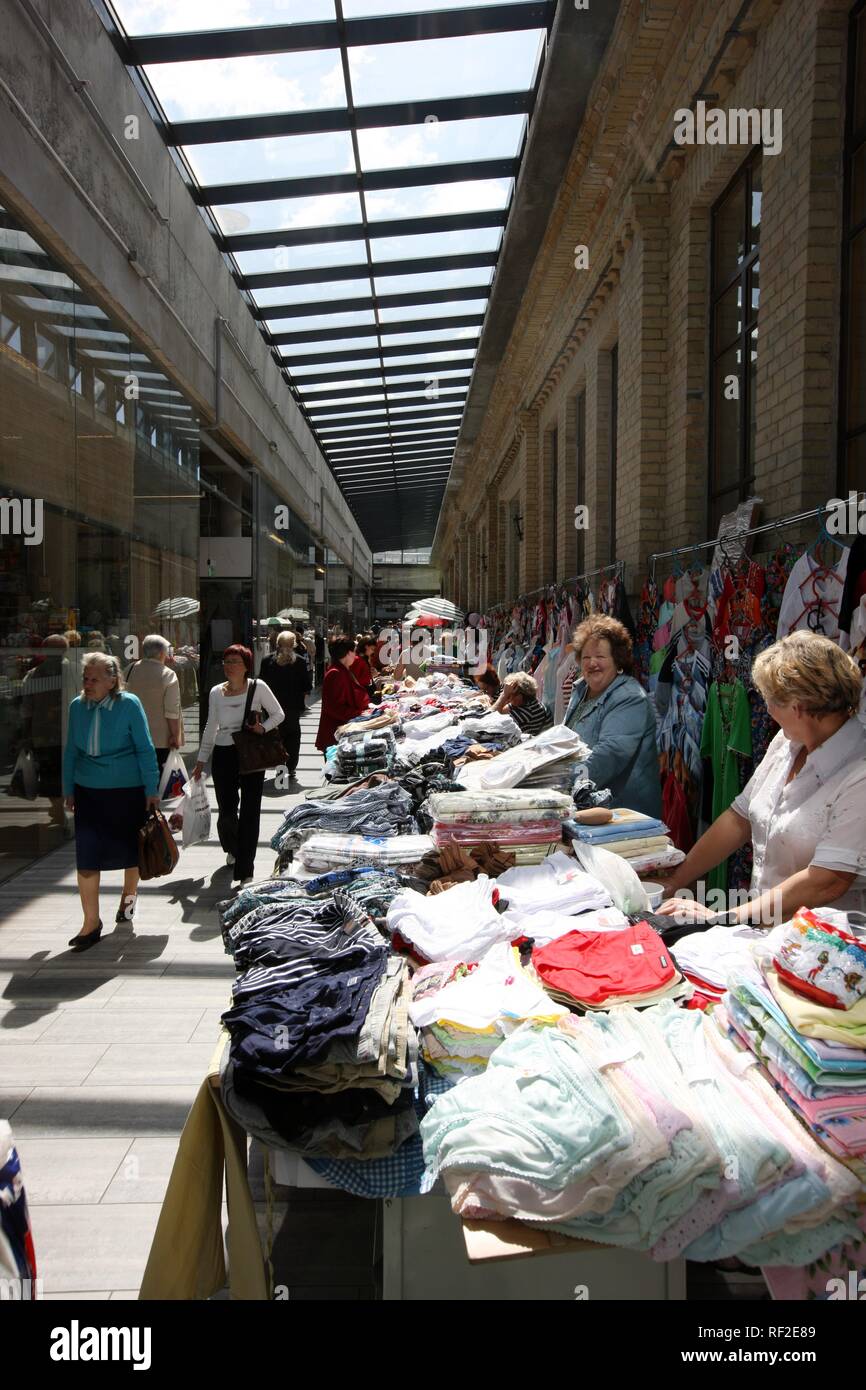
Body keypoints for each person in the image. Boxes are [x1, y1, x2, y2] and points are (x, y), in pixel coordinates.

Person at [658, 631, 866, 925]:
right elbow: (739, 818)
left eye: (770, 700)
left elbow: (826, 881)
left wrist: (722, 918)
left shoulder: (858, 775)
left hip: (824, 944)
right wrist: (675, 881)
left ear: (798, 706)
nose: (767, 710)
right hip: (766, 929)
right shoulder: (787, 742)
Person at [62, 652, 160, 950]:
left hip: (126, 790)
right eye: (85, 678)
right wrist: (68, 788)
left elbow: (145, 748)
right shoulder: (77, 706)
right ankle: (91, 923)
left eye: (94, 679)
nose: (88, 684)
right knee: (87, 855)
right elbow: (71, 750)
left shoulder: (129, 704)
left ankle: (128, 898)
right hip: (88, 791)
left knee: (131, 850)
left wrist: (151, 789)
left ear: (112, 680)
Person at [193, 645, 283, 887]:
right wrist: (201, 760)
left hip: (251, 753)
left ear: (246, 666)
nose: (229, 666)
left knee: (250, 811)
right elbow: (211, 726)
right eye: (226, 661)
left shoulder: (257, 687)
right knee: (226, 811)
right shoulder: (216, 692)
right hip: (224, 753)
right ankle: (234, 847)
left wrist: (262, 728)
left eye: (235, 661)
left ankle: (246, 870)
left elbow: (278, 714)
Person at [564, 614, 662, 818]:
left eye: (600, 656)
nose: (592, 663)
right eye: (586, 657)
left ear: (617, 660)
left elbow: (608, 756)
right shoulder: (581, 690)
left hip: (621, 816)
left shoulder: (629, 697)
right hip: (586, 809)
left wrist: (560, 781)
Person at [20, 635, 70, 829]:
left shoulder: (33, 674)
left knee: (49, 773)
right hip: (69, 732)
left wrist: (26, 733)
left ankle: (57, 806)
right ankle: (59, 807)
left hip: (43, 733)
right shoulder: (75, 671)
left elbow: (27, 708)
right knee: (66, 771)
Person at [125, 634, 183, 775]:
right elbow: (172, 710)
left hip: (131, 736)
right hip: (160, 739)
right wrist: (175, 735)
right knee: (159, 779)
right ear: (162, 653)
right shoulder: (168, 674)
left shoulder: (129, 669)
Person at [260, 631, 311, 779]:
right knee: (293, 737)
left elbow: (262, 685)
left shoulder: (267, 661)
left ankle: (279, 768)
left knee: (276, 738)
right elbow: (306, 687)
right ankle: (291, 767)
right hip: (293, 708)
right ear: (294, 644)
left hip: (271, 708)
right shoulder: (300, 661)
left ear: (277, 644)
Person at [315, 636, 369, 755]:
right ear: (347, 653)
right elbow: (333, 707)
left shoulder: (342, 670)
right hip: (335, 734)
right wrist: (360, 714)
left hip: (340, 732)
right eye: (353, 651)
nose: (355, 655)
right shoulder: (335, 673)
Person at [493, 671, 551, 735]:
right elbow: (500, 711)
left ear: (522, 694)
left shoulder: (527, 711)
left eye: (512, 694)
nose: (510, 698)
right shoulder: (531, 702)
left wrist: (504, 695)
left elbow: (491, 719)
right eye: (509, 695)